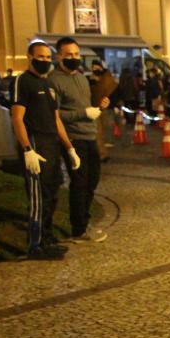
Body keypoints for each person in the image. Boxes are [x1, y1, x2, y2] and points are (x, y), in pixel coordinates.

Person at [10, 40, 81, 260]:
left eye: (47, 58)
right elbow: (17, 119)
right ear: (29, 57)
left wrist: (69, 148)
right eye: (40, 57)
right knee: (38, 198)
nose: (44, 61)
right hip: (35, 145)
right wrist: (27, 149)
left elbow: (56, 119)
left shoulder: (49, 84)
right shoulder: (23, 81)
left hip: (52, 146)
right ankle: (35, 245)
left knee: (51, 195)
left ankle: (47, 238)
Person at [49, 36, 109, 243]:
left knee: (92, 180)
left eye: (76, 54)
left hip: (89, 135)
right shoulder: (54, 80)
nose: (74, 58)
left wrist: (99, 106)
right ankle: (79, 228)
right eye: (69, 55)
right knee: (79, 182)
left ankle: (85, 219)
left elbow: (85, 105)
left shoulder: (82, 78)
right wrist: (84, 113)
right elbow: (56, 115)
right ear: (59, 56)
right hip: (72, 138)